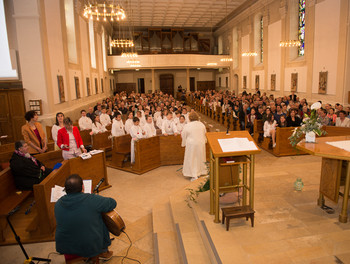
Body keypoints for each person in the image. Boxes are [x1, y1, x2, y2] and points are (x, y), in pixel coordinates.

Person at [55, 174, 115, 260]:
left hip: (65, 245)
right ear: (82, 187)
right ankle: (103, 251)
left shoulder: (58, 204)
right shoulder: (91, 199)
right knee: (101, 220)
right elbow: (112, 203)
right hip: (90, 246)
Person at [181, 112, 207, 181]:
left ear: (189, 118)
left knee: (192, 158)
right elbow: (205, 133)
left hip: (191, 144)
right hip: (200, 143)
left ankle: (193, 174)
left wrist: (184, 143)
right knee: (200, 157)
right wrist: (204, 140)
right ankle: (201, 171)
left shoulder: (187, 125)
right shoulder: (201, 124)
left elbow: (184, 134)